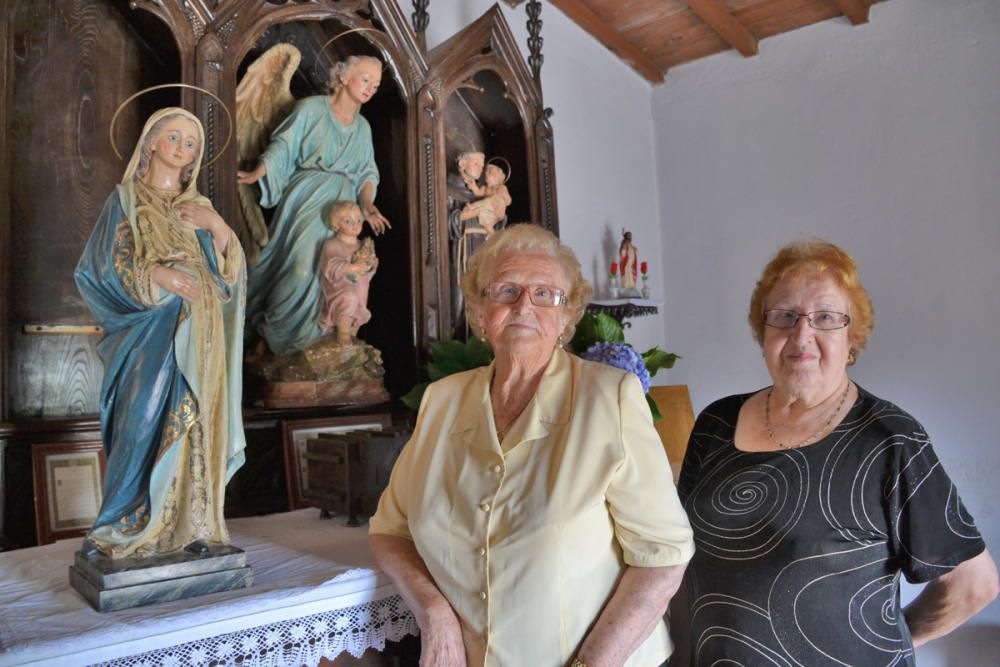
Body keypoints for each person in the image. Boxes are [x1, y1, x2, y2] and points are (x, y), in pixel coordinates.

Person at [369, 224, 695, 666]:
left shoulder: (610, 398)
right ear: (481, 313)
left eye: (546, 294)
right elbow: (390, 530)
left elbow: (663, 558)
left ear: (566, 318)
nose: (524, 304)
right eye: (506, 290)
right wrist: (434, 611)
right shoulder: (442, 400)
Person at [673, 241, 998, 665]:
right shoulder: (716, 424)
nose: (801, 334)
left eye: (825, 318)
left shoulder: (889, 440)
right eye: (784, 316)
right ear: (763, 330)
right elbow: (679, 559)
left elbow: (974, 584)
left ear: (852, 336)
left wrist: (890, 645)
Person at [75, 108, 246, 559]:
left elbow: (228, 280)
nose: (182, 149)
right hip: (149, 333)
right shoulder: (126, 199)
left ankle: (193, 527)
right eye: (173, 138)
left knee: (195, 423)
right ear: (150, 142)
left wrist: (219, 228)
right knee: (141, 421)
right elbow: (99, 269)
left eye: (191, 143)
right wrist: (157, 276)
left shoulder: (201, 209)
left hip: (203, 333)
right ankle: (117, 527)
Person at [238, 54, 390, 357]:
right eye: (365, 79)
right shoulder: (310, 109)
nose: (371, 88)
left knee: (338, 274)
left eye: (376, 84)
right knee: (299, 269)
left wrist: (368, 205)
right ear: (344, 77)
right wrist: (259, 170)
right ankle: (273, 338)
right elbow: (283, 146)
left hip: (346, 207)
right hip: (308, 199)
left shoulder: (363, 127)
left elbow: (366, 173)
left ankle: (324, 343)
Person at [446, 150, 506, 336]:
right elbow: (442, 221)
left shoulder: (485, 192)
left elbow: (498, 218)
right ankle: (459, 333)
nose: (481, 170)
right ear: (463, 164)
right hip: (463, 246)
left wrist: (500, 215)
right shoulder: (449, 188)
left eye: (482, 166)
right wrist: (464, 216)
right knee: (462, 290)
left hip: (483, 245)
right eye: (477, 165)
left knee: (484, 288)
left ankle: (480, 334)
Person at [318, 200, 377, 345]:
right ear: (336, 224)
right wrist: (353, 267)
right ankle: (343, 333)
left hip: (359, 287)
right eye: (347, 221)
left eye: (358, 220)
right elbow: (330, 267)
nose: (355, 225)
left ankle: (351, 335)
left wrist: (371, 265)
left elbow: (367, 272)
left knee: (358, 305)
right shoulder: (332, 244)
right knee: (349, 298)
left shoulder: (362, 245)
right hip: (338, 288)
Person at [464, 161, 511, 237]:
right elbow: (478, 192)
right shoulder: (485, 189)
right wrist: (473, 186)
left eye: (490, 172)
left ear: (498, 177)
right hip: (486, 211)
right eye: (486, 172)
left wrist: (503, 198)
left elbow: (508, 201)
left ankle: (473, 207)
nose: (486, 174)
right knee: (486, 223)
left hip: (496, 211)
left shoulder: (501, 188)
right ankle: (492, 234)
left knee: (493, 199)